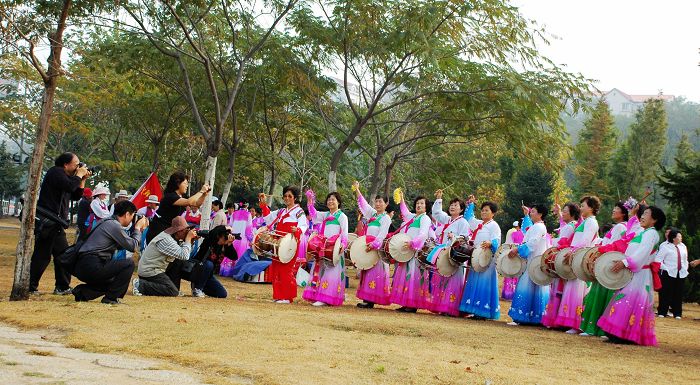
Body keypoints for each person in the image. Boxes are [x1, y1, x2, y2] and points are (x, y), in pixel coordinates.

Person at [597, 206, 666, 346]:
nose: (642, 216)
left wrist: (625, 262)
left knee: (628, 301)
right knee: (622, 300)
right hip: (633, 272)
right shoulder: (644, 232)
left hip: (640, 275)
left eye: (646, 214)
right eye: (643, 213)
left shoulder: (651, 234)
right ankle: (617, 333)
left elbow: (642, 253)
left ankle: (625, 335)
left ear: (654, 220)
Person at [30, 152, 90, 295]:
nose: (78, 166)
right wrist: (78, 175)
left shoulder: (68, 177)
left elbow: (75, 195)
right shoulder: (55, 172)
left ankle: (62, 286)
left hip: (56, 223)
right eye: (76, 163)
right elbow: (69, 186)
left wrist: (82, 179)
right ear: (65, 164)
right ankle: (30, 287)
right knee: (42, 256)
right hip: (48, 221)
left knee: (64, 255)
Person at [72, 201, 148, 304]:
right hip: (91, 264)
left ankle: (82, 293)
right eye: (132, 216)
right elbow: (133, 247)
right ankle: (111, 298)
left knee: (115, 281)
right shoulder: (114, 225)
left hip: (83, 265)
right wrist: (138, 228)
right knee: (129, 264)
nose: (132, 219)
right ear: (127, 214)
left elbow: (122, 245)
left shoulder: (106, 221)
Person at [579, 201, 628, 336]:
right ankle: (597, 328)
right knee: (600, 294)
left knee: (600, 295)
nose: (613, 210)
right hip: (605, 261)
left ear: (624, 213)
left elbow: (614, 246)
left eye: (616, 209)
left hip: (607, 263)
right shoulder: (618, 227)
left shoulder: (620, 228)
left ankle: (595, 327)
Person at [553, 196, 599, 334]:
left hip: (581, 258)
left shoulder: (591, 223)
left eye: (583, 205)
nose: (581, 208)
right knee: (572, 289)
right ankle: (571, 322)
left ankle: (577, 324)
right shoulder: (586, 222)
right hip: (576, 257)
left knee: (578, 290)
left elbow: (585, 241)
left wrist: (573, 252)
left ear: (591, 208)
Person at [259, 186, 309, 304]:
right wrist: (263, 205)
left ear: (295, 198)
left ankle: (287, 297)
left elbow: (304, 226)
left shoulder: (299, 211)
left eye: (290, 196)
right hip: (278, 243)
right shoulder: (281, 211)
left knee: (286, 269)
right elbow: (268, 218)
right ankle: (278, 295)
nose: (287, 198)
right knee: (276, 268)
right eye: (285, 196)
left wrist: (297, 229)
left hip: (290, 243)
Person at [302, 190, 349, 306]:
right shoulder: (326, 215)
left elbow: (344, 233)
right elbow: (314, 214)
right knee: (321, 270)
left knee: (331, 272)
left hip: (334, 249)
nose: (330, 201)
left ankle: (326, 298)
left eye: (333, 199)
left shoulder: (342, 217)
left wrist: (342, 244)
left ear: (338, 202)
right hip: (323, 248)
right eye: (329, 199)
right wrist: (310, 201)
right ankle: (319, 295)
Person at [459, 196, 502, 320]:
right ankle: (473, 308)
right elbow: (468, 218)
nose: (483, 212)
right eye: (482, 210)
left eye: (487, 210)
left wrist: (490, 243)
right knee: (474, 282)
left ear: (493, 213)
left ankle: (482, 311)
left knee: (484, 283)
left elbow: (496, 240)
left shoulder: (494, 225)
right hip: (476, 258)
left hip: (487, 259)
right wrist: (471, 204)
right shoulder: (479, 224)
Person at [429, 189, 470, 316]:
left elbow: (465, 238)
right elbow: (436, 213)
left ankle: (451, 307)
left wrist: (454, 237)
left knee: (452, 280)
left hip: (454, 256)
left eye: (456, 205)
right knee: (441, 278)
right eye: (451, 205)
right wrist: (439, 198)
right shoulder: (447, 219)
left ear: (461, 209)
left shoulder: (463, 222)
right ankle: (441, 306)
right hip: (443, 253)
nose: (452, 207)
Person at [507, 204, 550, 326]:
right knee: (536, 289)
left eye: (533, 212)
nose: (531, 213)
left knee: (525, 287)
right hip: (535, 262)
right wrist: (526, 215)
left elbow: (532, 243)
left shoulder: (538, 227)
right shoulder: (538, 226)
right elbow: (528, 231)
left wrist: (517, 250)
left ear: (540, 214)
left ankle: (521, 317)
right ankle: (535, 317)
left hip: (533, 262)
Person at [134, 216, 198, 296]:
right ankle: (140, 285)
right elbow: (184, 256)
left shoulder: (173, 237)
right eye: (186, 230)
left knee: (178, 262)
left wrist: (190, 241)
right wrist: (188, 239)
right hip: (149, 271)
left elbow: (185, 253)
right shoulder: (166, 240)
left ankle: (171, 287)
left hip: (156, 268)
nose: (187, 232)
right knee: (172, 291)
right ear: (179, 231)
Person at [390, 192, 432, 313]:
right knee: (405, 276)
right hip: (407, 251)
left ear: (426, 206)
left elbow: (423, 234)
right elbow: (405, 212)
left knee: (414, 276)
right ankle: (406, 302)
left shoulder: (425, 218)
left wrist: (413, 243)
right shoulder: (413, 217)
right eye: (417, 203)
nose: (419, 205)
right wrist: (402, 199)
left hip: (416, 252)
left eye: (422, 203)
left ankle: (412, 304)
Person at [353, 181, 392, 309]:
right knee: (367, 271)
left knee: (375, 273)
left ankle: (371, 299)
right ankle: (367, 298)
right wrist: (357, 189)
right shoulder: (373, 214)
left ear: (386, 204)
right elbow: (363, 203)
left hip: (377, 249)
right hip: (368, 247)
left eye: (381, 201)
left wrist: (374, 245)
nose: (378, 204)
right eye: (376, 201)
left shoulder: (385, 218)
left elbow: (382, 234)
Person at [541, 202, 581, 328]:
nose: (563, 213)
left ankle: (555, 319)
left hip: (562, 258)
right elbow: (563, 227)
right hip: (565, 258)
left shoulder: (570, 226)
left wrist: (550, 242)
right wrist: (559, 213)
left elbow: (562, 240)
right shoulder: (572, 225)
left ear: (572, 213)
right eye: (562, 211)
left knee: (559, 288)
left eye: (565, 211)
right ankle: (558, 318)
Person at [146, 172, 210, 244]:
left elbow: (196, 204)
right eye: (185, 183)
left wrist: (204, 195)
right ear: (178, 183)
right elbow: (190, 202)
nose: (187, 186)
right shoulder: (170, 196)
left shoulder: (182, 197)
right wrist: (201, 191)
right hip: (158, 231)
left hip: (170, 231)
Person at [656, 228, 689, 319]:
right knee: (665, 293)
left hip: (680, 273)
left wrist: (685, 268)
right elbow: (657, 260)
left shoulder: (683, 246)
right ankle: (662, 312)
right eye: (679, 236)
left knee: (678, 293)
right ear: (674, 238)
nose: (681, 238)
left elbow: (685, 260)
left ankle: (677, 313)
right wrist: (666, 268)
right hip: (668, 273)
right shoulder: (666, 247)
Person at [502, 220, 524, 300]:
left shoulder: (512, 232)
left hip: (512, 253)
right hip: (520, 255)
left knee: (510, 273)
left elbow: (508, 243)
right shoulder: (525, 233)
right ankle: (516, 294)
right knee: (518, 273)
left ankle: (507, 293)